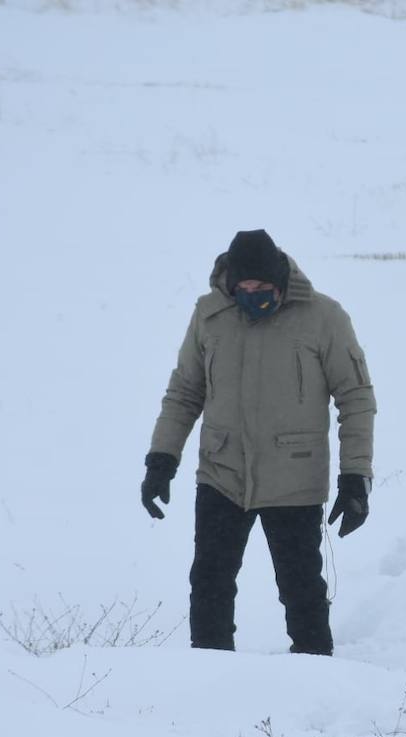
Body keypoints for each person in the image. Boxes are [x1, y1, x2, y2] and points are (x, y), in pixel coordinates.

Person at [142, 229, 376, 655]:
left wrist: (356, 476)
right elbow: (184, 392)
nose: (253, 296)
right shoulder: (209, 315)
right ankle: (209, 673)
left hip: (294, 475)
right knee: (209, 581)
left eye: (263, 288)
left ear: (281, 281)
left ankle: (315, 672)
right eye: (244, 289)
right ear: (231, 284)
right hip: (221, 470)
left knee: (301, 587)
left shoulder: (324, 317)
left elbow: (356, 397)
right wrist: (161, 459)